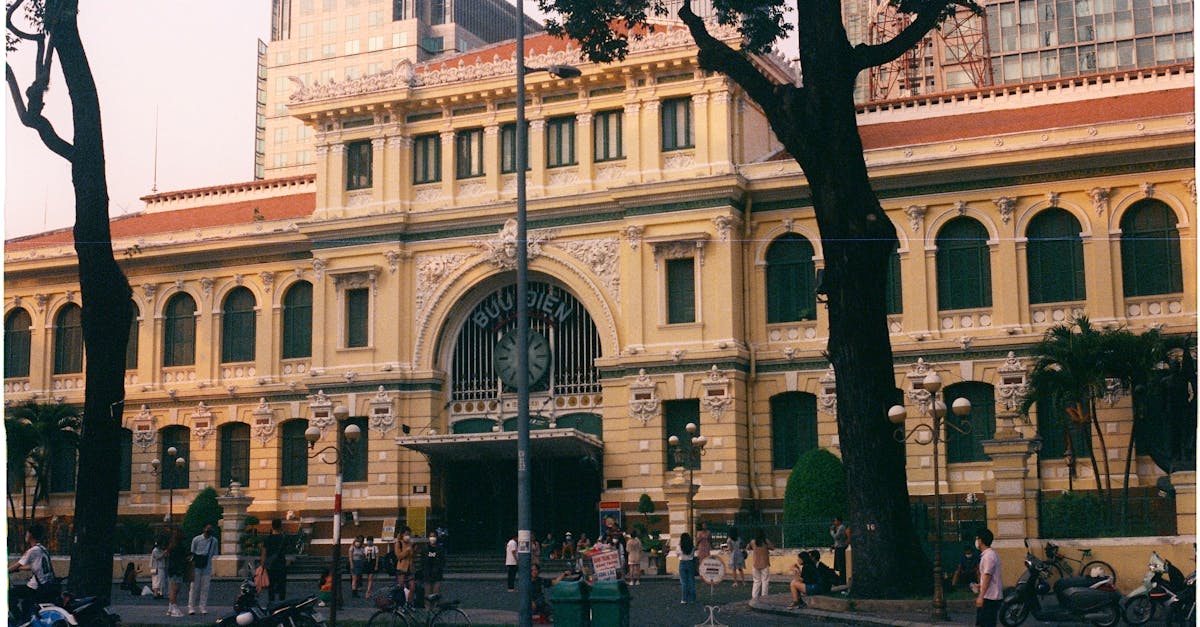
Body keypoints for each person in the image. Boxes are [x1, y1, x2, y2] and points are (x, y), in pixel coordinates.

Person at [7, 523, 57, 621]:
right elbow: (35, 566)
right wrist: (19, 569)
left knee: (9, 594)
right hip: (47, 584)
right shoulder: (42, 549)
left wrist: (6, 571)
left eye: (27, 533)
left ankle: (19, 620)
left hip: (37, 587)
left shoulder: (32, 551)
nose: (26, 535)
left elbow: (18, 564)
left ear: (30, 535)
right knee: (25, 602)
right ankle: (25, 619)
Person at [188, 523, 219, 615]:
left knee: (205, 587)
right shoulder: (196, 539)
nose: (208, 531)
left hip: (207, 566)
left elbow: (214, 553)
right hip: (197, 565)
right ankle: (191, 606)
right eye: (207, 528)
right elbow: (192, 552)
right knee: (194, 586)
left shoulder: (214, 541)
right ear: (203, 529)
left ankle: (202, 606)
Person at [975, 528, 1003, 627]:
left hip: (990, 597)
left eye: (977, 538)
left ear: (981, 540)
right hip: (990, 595)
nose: (976, 541)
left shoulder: (988, 556)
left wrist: (981, 596)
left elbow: (988, 576)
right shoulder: (989, 554)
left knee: (985, 623)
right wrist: (980, 585)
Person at [261, 518, 289, 602]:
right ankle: (282, 603)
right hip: (281, 564)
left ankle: (271, 603)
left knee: (271, 586)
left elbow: (264, 553)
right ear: (280, 526)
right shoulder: (284, 538)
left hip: (270, 566)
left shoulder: (268, 539)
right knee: (282, 586)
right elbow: (288, 551)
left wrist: (262, 566)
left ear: (272, 526)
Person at [165, 528, 188, 617]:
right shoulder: (179, 546)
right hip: (177, 569)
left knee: (173, 590)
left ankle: (170, 608)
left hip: (172, 569)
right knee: (175, 590)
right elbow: (182, 557)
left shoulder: (172, 545)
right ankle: (174, 607)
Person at [748, 528, 774, 600]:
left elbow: (747, 547)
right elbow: (772, 547)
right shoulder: (765, 541)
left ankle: (754, 597)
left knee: (756, 581)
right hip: (765, 563)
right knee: (765, 581)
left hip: (755, 564)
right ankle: (764, 597)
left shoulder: (753, 542)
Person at [423, 530, 446, 608]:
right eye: (431, 536)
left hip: (437, 574)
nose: (432, 538)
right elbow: (423, 560)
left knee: (436, 593)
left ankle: (435, 608)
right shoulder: (426, 548)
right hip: (427, 573)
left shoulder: (440, 549)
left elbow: (442, 560)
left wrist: (439, 568)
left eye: (434, 536)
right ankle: (428, 608)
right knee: (427, 593)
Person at [395, 527, 414, 600]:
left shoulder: (410, 543)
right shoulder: (399, 543)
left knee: (412, 587)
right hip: (401, 568)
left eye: (409, 534)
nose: (407, 536)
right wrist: (407, 550)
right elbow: (399, 556)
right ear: (402, 534)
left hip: (410, 568)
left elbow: (412, 556)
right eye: (406, 534)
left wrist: (414, 549)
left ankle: (409, 602)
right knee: (401, 588)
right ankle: (402, 603)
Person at [678, 532, 697, 604]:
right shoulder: (692, 547)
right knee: (691, 581)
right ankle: (692, 599)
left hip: (682, 563)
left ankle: (684, 599)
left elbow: (677, 554)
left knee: (684, 582)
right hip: (690, 563)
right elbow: (693, 554)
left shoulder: (679, 547)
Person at [830, 516, 849, 585]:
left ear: (839, 521)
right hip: (838, 547)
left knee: (841, 565)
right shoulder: (839, 528)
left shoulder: (841, 528)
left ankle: (843, 580)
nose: (834, 522)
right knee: (839, 565)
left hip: (840, 548)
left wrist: (832, 531)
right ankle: (841, 579)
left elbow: (836, 537)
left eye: (835, 521)